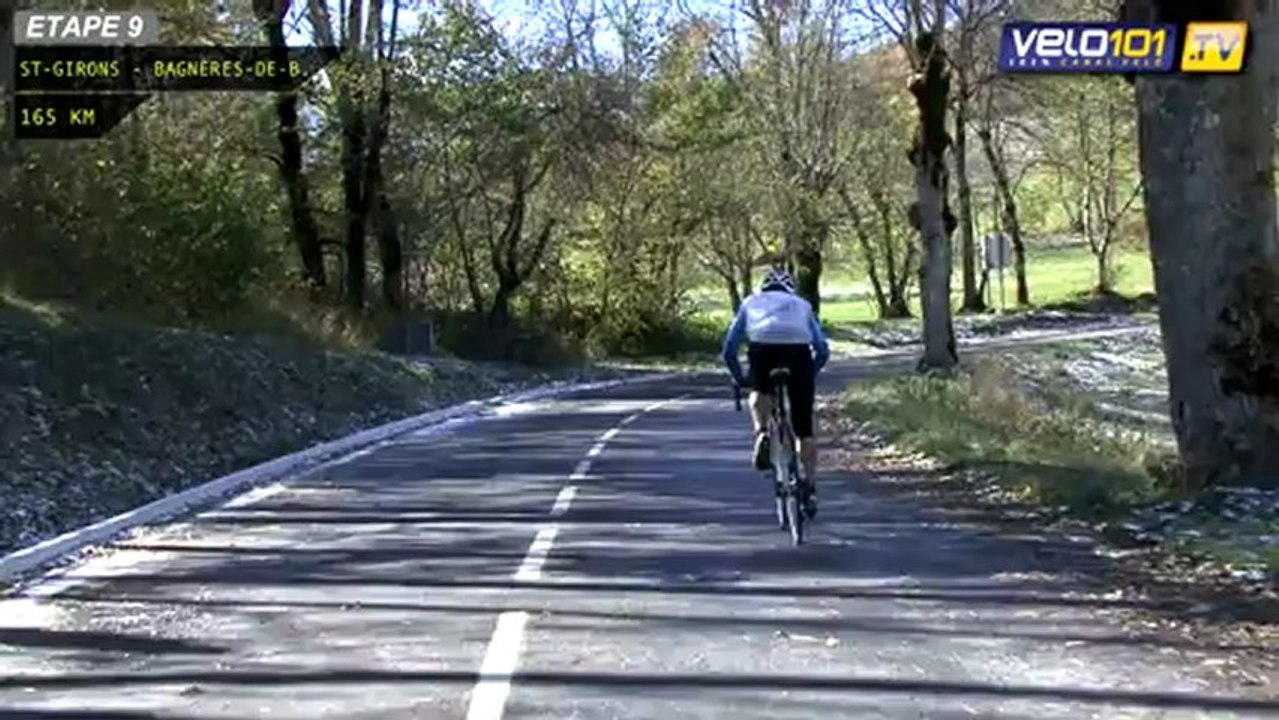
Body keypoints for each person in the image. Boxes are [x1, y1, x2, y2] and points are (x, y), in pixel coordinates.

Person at [721, 267, 830, 514]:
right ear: (790, 290)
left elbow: (729, 348)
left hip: (763, 350)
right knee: (805, 429)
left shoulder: (751, 302)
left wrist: (741, 378)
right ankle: (810, 486)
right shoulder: (802, 305)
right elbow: (822, 349)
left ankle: (762, 433)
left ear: (764, 288)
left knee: (758, 393)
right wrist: (808, 376)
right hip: (798, 354)